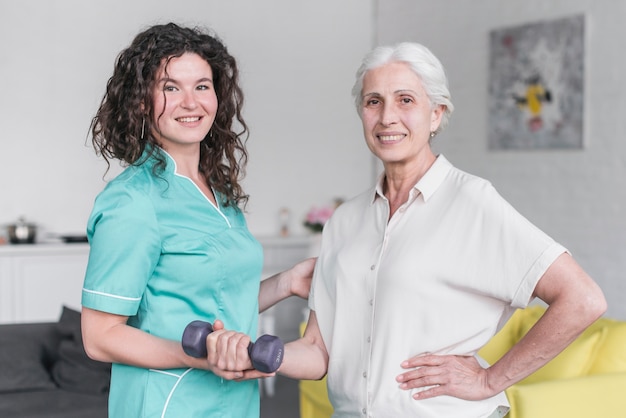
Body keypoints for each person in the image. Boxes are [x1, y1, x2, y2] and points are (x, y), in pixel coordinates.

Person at [208, 42, 607, 418]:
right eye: (373, 101)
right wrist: (258, 355)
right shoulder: (346, 220)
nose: (387, 117)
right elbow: (319, 352)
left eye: (406, 100)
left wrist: (489, 379)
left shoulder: (471, 202)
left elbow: (582, 298)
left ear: (436, 114)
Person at [80, 22, 315, 418]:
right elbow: (99, 338)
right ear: (141, 101)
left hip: (233, 400)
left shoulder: (217, 192)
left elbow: (217, 300)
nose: (191, 102)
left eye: (202, 86)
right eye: (170, 88)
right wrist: (196, 357)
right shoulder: (132, 201)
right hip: (167, 402)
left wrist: (288, 283)